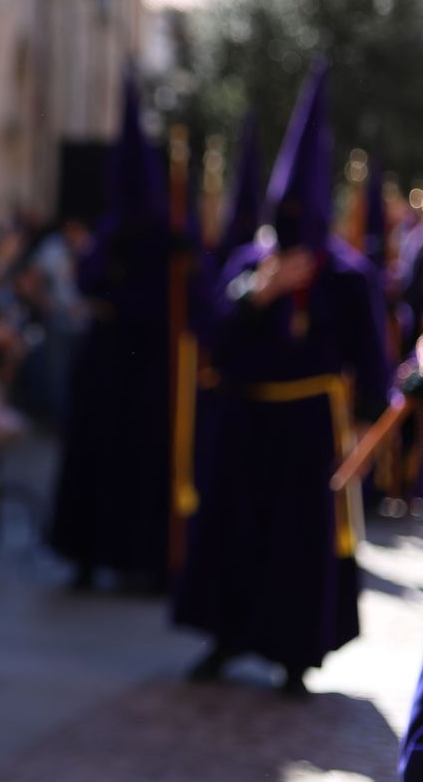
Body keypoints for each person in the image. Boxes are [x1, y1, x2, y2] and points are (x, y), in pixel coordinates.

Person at [173, 62, 388, 695]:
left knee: (298, 544)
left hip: (308, 429)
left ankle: (294, 655)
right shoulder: (247, 263)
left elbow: (369, 355)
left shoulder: (347, 276)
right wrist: (255, 297)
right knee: (232, 534)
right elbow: (210, 334)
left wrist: (372, 420)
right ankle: (223, 638)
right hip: (245, 419)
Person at [49, 74, 173, 589]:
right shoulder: (109, 234)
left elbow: (162, 301)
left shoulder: (164, 238)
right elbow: (87, 280)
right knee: (95, 458)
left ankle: (132, 561)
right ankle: (86, 555)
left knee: (136, 461)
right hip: (106, 364)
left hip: (144, 367)